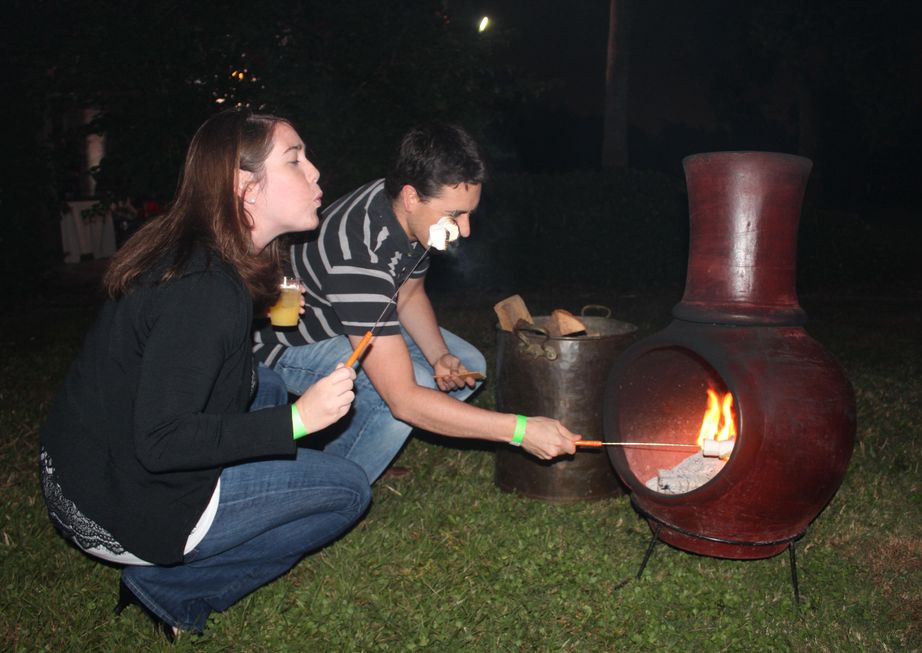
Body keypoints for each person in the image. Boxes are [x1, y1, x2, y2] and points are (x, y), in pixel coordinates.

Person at [39, 110, 371, 638]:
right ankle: (171, 590)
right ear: (246, 189)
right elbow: (162, 440)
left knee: (265, 383)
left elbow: (183, 355)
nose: (315, 172)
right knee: (348, 490)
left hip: (78, 475)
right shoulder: (205, 289)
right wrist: (297, 423)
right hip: (119, 510)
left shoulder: (191, 249)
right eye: (295, 160)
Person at [253, 123, 579, 483]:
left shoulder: (406, 212)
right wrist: (519, 430)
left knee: (467, 365)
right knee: (401, 399)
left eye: (469, 213)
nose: (465, 230)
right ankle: (330, 486)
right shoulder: (358, 256)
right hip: (290, 343)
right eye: (455, 215)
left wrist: (440, 355)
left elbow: (408, 293)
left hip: (356, 317)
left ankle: (371, 439)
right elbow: (403, 399)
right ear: (411, 197)